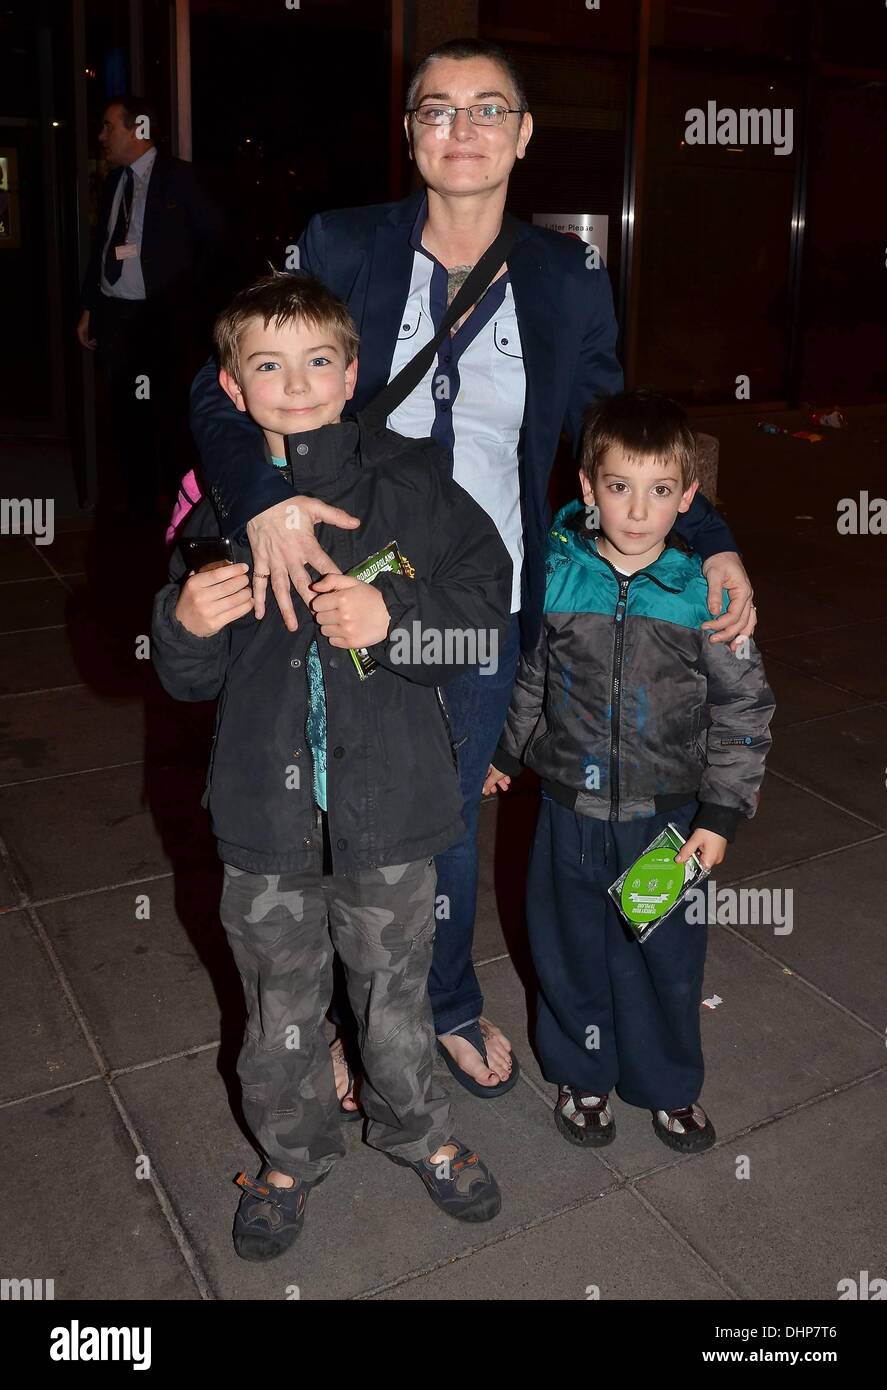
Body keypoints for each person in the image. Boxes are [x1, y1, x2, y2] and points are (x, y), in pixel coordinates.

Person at [186, 38, 757, 1104]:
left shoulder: (564, 275)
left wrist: (705, 533)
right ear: (409, 133)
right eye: (436, 109)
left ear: (523, 134)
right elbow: (221, 389)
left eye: (486, 109)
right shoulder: (341, 242)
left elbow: (609, 431)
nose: (460, 129)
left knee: (439, 817)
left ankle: (436, 1000)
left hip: (476, 604)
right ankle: (343, 1024)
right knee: (323, 808)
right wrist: (262, 501)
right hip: (336, 585)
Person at [151, 271, 512, 1259]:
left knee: (396, 998)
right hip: (264, 829)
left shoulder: (406, 485)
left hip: (389, 813)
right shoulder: (214, 510)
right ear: (232, 388)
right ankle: (289, 1156)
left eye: (318, 360)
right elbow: (186, 679)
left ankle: (419, 1133)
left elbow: (482, 616)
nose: (296, 382)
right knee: (279, 1015)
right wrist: (181, 623)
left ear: (351, 371)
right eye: (267, 365)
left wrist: (395, 621)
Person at [484, 390, 775, 1151]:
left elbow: (744, 711)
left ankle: (667, 1087)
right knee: (567, 951)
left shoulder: (705, 594)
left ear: (686, 498)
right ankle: (582, 1078)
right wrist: (507, 754)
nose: (637, 510)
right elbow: (531, 678)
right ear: (588, 488)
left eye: (657, 492)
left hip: (665, 822)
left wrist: (719, 817)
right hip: (565, 813)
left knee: (665, 961)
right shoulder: (556, 577)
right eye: (618, 487)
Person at [77, 94, 226, 520]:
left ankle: (176, 506)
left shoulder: (178, 178)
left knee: (166, 412)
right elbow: (102, 248)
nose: (102, 136)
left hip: (160, 319)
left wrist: (188, 300)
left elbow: (215, 240)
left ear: (136, 128)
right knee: (124, 413)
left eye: (109, 126)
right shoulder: (113, 183)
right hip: (117, 317)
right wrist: (90, 307)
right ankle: (136, 505)